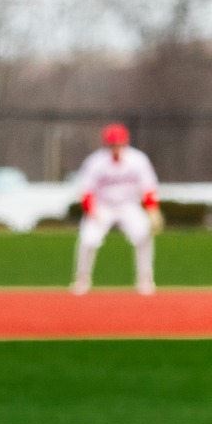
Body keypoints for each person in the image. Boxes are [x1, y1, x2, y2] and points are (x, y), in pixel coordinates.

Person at [70, 123, 161, 296]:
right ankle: (82, 278)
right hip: (102, 206)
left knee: (144, 234)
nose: (116, 147)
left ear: (126, 142)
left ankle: (145, 279)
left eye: (119, 143)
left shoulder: (138, 159)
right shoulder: (95, 161)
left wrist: (152, 210)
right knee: (88, 239)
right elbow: (86, 191)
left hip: (128, 205)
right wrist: (92, 212)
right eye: (112, 144)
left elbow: (148, 187)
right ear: (106, 144)